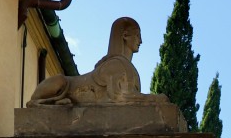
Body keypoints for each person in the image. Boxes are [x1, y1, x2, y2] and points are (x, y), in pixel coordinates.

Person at [28, 17, 167, 106]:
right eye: (137, 35)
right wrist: (154, 99)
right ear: (125, 35)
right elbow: (120, 97)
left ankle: (50, 102)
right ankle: (42, 102)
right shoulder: (115, 65)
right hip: (65, 87)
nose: (140, 41)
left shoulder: (122, 65)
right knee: (59, 80)